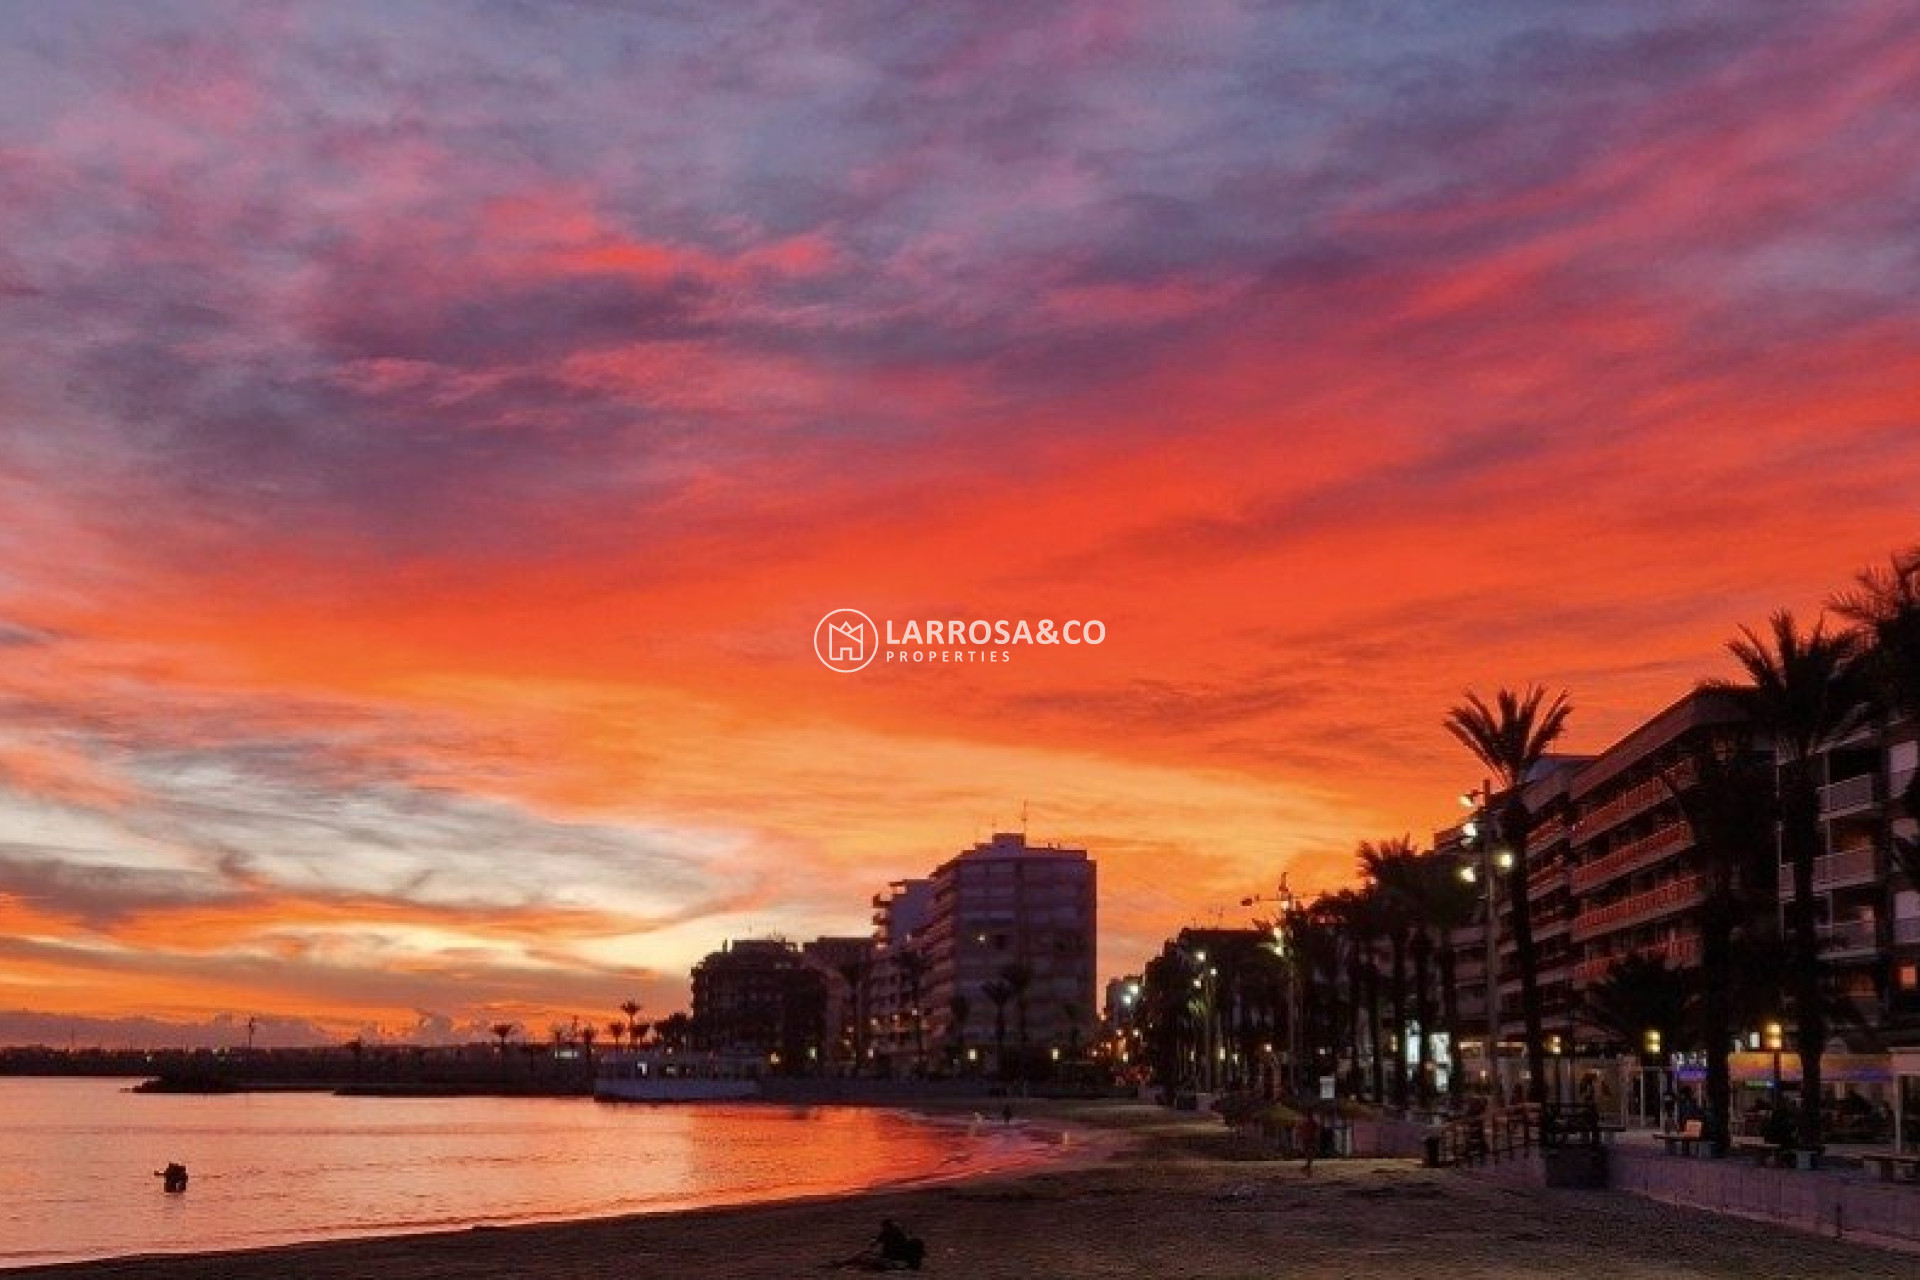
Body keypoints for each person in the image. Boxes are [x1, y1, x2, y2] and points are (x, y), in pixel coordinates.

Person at [1295, 1108, 1322, 1178]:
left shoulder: (1310, 1122)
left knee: (1310, 1154)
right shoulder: (1308, 1122)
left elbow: (1317, 1130)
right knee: (1309, 1154)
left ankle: (1308, 1169)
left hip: (1309, 1139)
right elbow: (1317, 1130)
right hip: (1308, 1139)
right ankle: (1308, 1169)